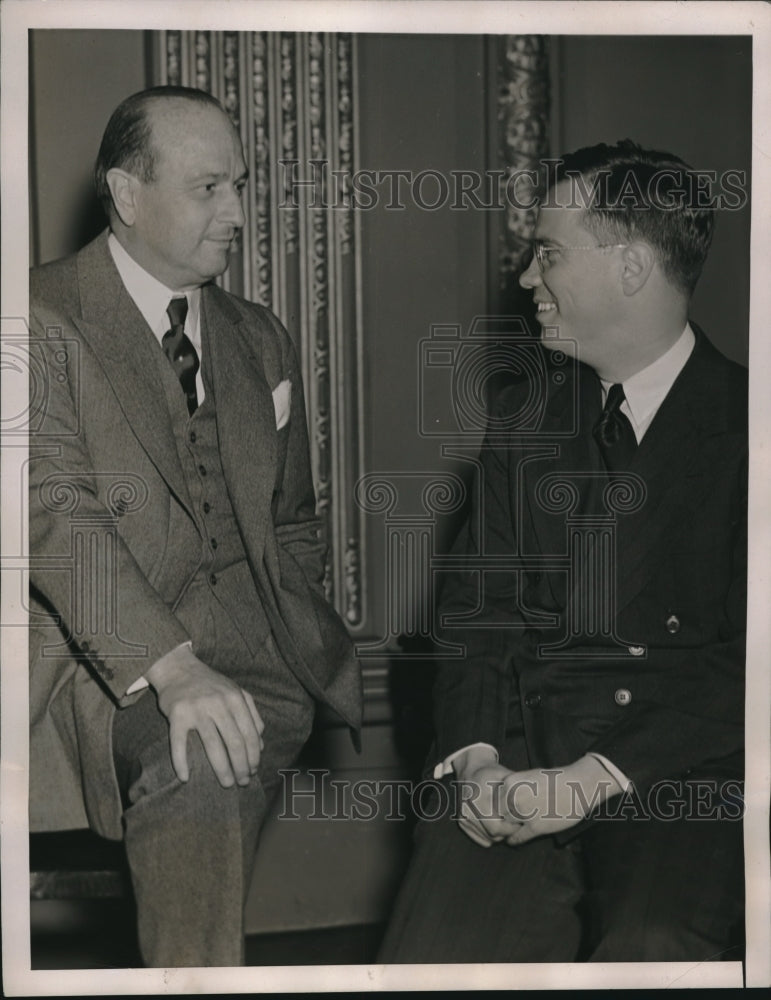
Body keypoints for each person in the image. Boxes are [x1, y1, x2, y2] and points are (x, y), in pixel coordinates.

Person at [378, 140, 746, 963]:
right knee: (425, 960)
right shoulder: (523, 416)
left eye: (548, 253)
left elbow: (747, 664)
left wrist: (594, 778)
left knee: (648, 946)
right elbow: (478, 623)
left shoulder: (747, 426)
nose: (524, 280)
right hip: (517, 758)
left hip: (680, 776)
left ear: (630, 267)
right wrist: (473, 761)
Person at [28, 86, 362, 968]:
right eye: (210, 188)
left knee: (215, 757)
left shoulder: (259, 336)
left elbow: (295, 520)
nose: (241, 215)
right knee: (204, 762)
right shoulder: (32, 318)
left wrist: (296, 639)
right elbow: (52, 511)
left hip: (268, 669)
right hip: (104, 678)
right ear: (128, 196)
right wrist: (172, 668)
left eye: (241, 186)